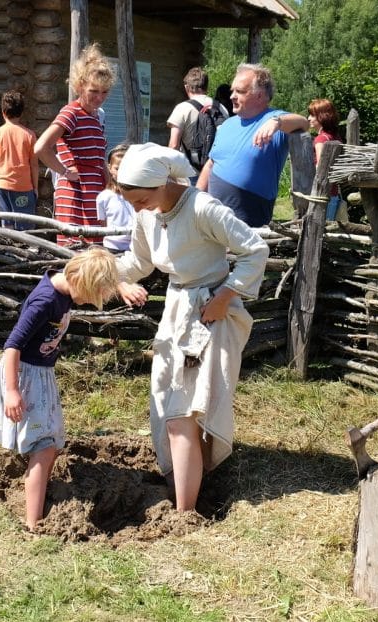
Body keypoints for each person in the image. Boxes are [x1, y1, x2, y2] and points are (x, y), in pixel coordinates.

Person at [114, 143, 269, 513]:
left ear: (161, 184)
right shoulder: (146, 215)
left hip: (209, 313)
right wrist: (108, 275)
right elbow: (138, 260)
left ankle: (184, 512)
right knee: (170, 402)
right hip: (176, 310)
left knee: (182, 410)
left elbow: (254, 249)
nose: (137, 209)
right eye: (132, 202)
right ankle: (189, 487)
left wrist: (225, 295)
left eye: (140, 200)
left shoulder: (201, 208)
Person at [0, 247, 120, 531]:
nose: (87, 303)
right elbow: (12, 346)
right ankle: (32, 523)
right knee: (44, 447)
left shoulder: (64, 290)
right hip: (24, 375)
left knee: (51, 443)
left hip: (41, 374)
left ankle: (38, 496)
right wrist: (12, 391)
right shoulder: (45, 300)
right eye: (91, 296)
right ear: (83, 283)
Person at [196, 63, 309, 228]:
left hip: (249, 219)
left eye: (240, 91)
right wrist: (197, 196)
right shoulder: (228, 124)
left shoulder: (274, 118)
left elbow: (304, 124)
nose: (232, 96)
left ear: (260, 95)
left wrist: (276, 123)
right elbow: (211, 163)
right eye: (232, 91)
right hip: (212, 215)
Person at [35, 43, 115, 245]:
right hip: (76, 194)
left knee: (94, 250)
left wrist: (111, 183)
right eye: (93, 90)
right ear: (79, 86)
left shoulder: (95, 117)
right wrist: (64, 171)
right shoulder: (71, 112)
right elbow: (41, 148)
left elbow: (99, 159)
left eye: (104, 92)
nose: (99, 97)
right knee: (74, 250)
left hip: (95, 193)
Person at [0, 89, 40, 231]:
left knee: (7, 225)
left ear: (3, 112)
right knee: (25, 226)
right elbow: (34, 164)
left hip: (2, 186)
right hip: (23, 187)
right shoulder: (30, 135)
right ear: (21, 112)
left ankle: (8, 253)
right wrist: (35, 187)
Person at [166, 67, 229, 179]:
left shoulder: (182, 108)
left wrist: (169, 172)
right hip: (216, 173)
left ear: (187, 87)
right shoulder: (221, 108)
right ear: (206, 87)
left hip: (189, 173)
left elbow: (174, 145)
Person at [308, 98, 343, 221]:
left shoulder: (321, 139)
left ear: (322, 116)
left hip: (322, 194)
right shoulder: (335, 137)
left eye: (312, 115)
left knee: (318, 231)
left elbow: (320, 169)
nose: (309, 118)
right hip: (334, 193)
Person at [97, 143, 134, 252]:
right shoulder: (104, 197)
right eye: (117, 168)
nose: (122, 173)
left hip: (136, 247)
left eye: (126, 168)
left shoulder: (140, 194)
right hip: (112, 247)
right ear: (109, 168)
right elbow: (103, 224)